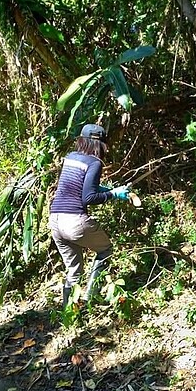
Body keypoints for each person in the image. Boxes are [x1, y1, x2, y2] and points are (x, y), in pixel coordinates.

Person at [49, 124, 130, 308]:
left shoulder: (70, 157)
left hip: (55, 220)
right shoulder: (94, 163)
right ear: (100, 145)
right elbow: (89, 197)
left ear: (81, 140)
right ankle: (91, 299)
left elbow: (77, 186)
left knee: (74, 269)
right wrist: (114, 194)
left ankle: (69, 312)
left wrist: (107, 189)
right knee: (105, 250)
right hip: (74, 221)